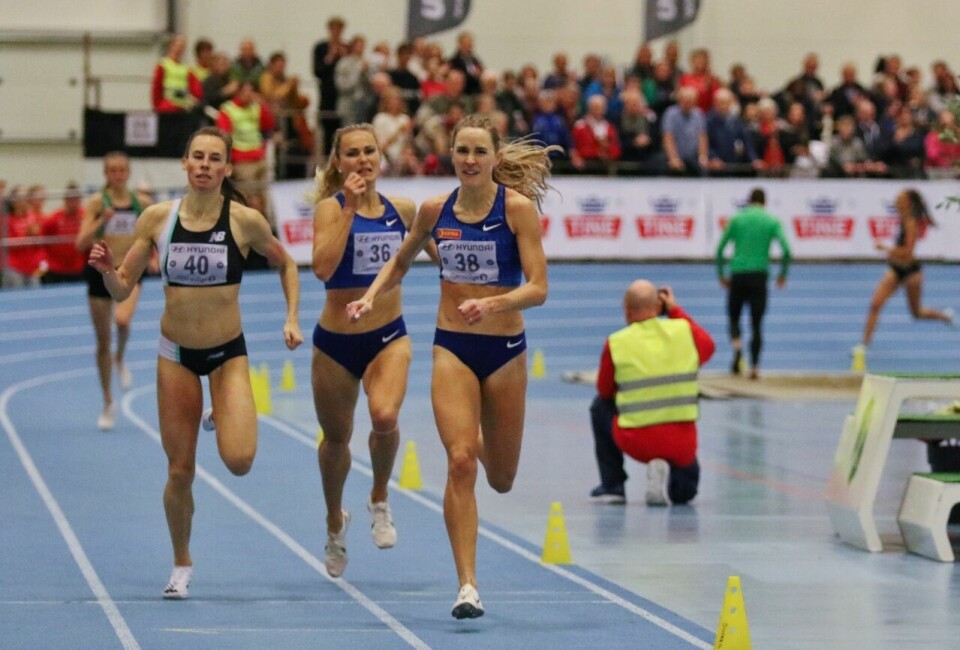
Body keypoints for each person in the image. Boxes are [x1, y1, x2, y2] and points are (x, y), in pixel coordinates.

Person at [347, 115, 558, 619]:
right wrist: (370, 298)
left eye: (479, 152)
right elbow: (400, 261)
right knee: (460, 461)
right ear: (452, 155)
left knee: (501, 476)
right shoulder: (434, 210)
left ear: (494, 157)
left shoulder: (518, 210)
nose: (469, 160)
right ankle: (467, 585)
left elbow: (539, 287)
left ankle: (482, 443)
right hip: (453, 348)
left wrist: (494, 304)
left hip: (504, 353)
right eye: (462, 151)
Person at [86, 126, 303, 600]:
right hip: (177, 357)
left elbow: (287, 263)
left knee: (240, 461)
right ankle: (181, 562)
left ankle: (221, 409)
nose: (205, 165)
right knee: (180, 470)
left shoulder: (245, 220)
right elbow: (124, 287)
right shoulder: (157, 219)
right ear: (185, 165)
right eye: (197, 157)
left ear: (226, 169)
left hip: (228, 353)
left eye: (214, 159)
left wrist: (290, 318)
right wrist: (106, 271)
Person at [311, 124, 424, 579]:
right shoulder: (329, 209)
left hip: (387, 337)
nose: (362, 160)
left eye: (369, 151)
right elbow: (322, 267)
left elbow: (438, 250)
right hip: (336, 343)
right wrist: (351, 211)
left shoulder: (405, 209)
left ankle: (379, 496)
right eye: (352, 153)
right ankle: (336, 520)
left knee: (383, 416)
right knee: (336, 440)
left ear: (381, 157)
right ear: (338, 163)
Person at [589, 281, 715, 505]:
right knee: (685, 495)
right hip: (681, 442)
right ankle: (675, 487)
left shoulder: (617, 342)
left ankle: (613, 485)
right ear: (659, 306)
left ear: (626, 309)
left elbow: (605, 391)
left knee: (599, 407)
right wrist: (675, 310)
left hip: (636, 439)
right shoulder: (683, 331)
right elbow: (708, 348)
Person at [76, 153, 151, 428]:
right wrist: (101, 221)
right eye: (113, 170)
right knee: (102, 341)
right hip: (100, 272)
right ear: (106, 173)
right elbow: (80, 242)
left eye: (122, 170)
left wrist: (154, 256)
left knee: (122, 320)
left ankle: (120, 359)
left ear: (128, 173)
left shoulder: (140, 203)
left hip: (129, 271)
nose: (118, 175)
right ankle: (108, 400)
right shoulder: (97, 202)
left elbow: (154, 234)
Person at [853, 189, 953, 363]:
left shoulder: (911, 223)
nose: (896, 202)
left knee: (916, 313)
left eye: (900, 200)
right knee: (875, 304)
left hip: (912, 272)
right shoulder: (902, 220)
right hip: (895, 270)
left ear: (908, 203)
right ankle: (863, 346)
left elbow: (908, 252)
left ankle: (945, 316)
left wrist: (887, 250)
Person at [715, 188, 791, 379]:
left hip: (738, 274)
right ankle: (755, 367)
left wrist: (721, 273)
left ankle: (737, 348)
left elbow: (720, 249)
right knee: (756, 324)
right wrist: (782, 274)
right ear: (764, 203)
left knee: (734, 318)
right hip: (759, 275)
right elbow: (787, 250)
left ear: (749, 201)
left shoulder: (737, 219)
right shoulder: (771, 220)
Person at [40, 182, 86, 284]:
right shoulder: (54, 219)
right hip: (56, 268)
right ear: (66, 200)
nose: (74, 203)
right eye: (72, 200)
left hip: (77, 267)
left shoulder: (85, 217)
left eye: (77, 200)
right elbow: (43, 240)